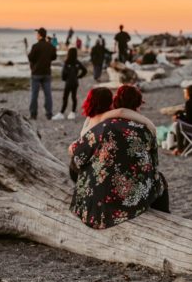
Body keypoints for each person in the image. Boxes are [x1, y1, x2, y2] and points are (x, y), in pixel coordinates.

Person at [68, 85, 169, 229]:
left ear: (115, 102)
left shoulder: (104, 126)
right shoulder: (145, 129)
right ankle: (165, 218)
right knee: (160, 182)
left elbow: (78, 156)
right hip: (130, 196)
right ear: (139, 105)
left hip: (100, 196)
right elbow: (153, 163)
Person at [76, 87, 156, 138]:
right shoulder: (104, 117)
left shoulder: (90, 117)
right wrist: (149, 124)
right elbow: (122, 111)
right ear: (107, 102)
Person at [28, 27, 56, 120]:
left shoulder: (35, 46)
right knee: (48, 94)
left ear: (39, 35)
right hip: (46, 73)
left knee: (34, 95)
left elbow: (30, 58)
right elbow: (54, 57)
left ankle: (33, 114)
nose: (36, 35)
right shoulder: (50, 46)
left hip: (36, 73)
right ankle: (49, 114)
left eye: (37, 34)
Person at [53, 47, 87, 120]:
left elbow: (63, 73)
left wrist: (64, 79)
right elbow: (85, 70)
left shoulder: (67, 62)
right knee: (73, 97)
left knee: (65, 97)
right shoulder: (77, 62)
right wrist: (79, 76)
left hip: (68, 82)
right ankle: (73, 112)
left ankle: (61, 113)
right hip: (75, 82)